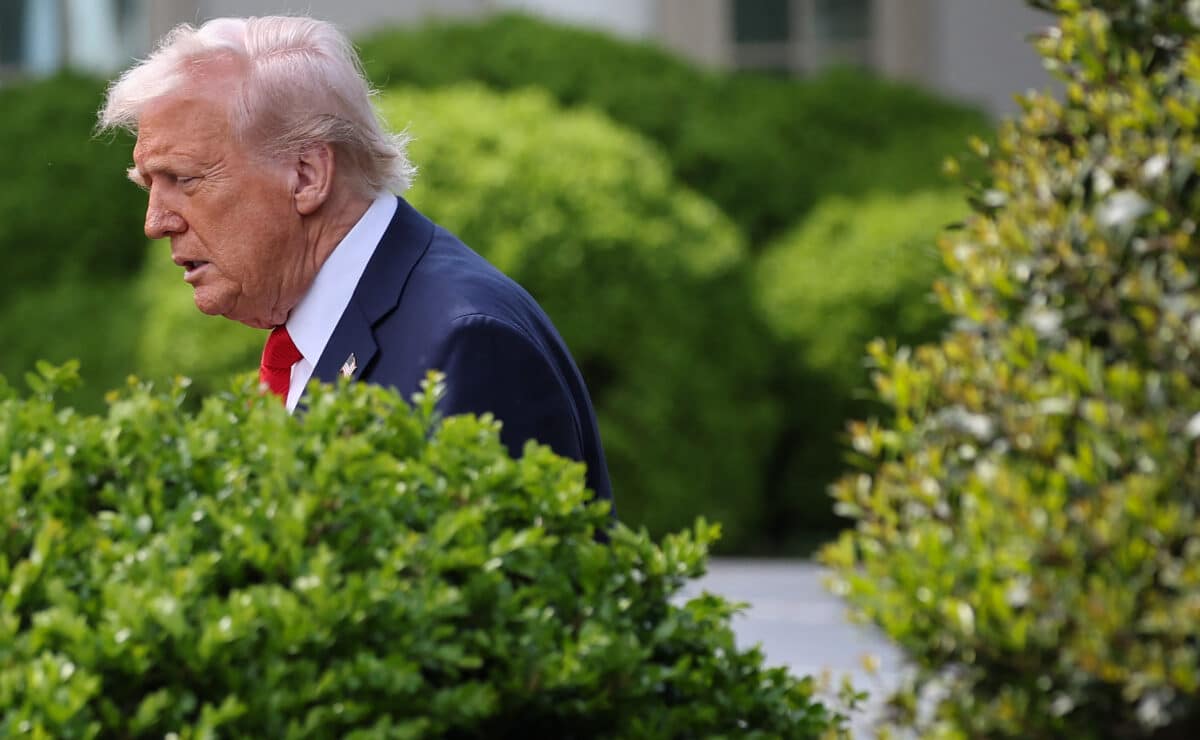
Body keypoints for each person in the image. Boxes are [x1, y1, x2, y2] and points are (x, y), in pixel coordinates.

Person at [98, 16, 612, 504]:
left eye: (184, 179)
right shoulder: (318, 326)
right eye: (149, 185)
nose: (155, 222)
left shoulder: (468, 343)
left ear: (307, 175)